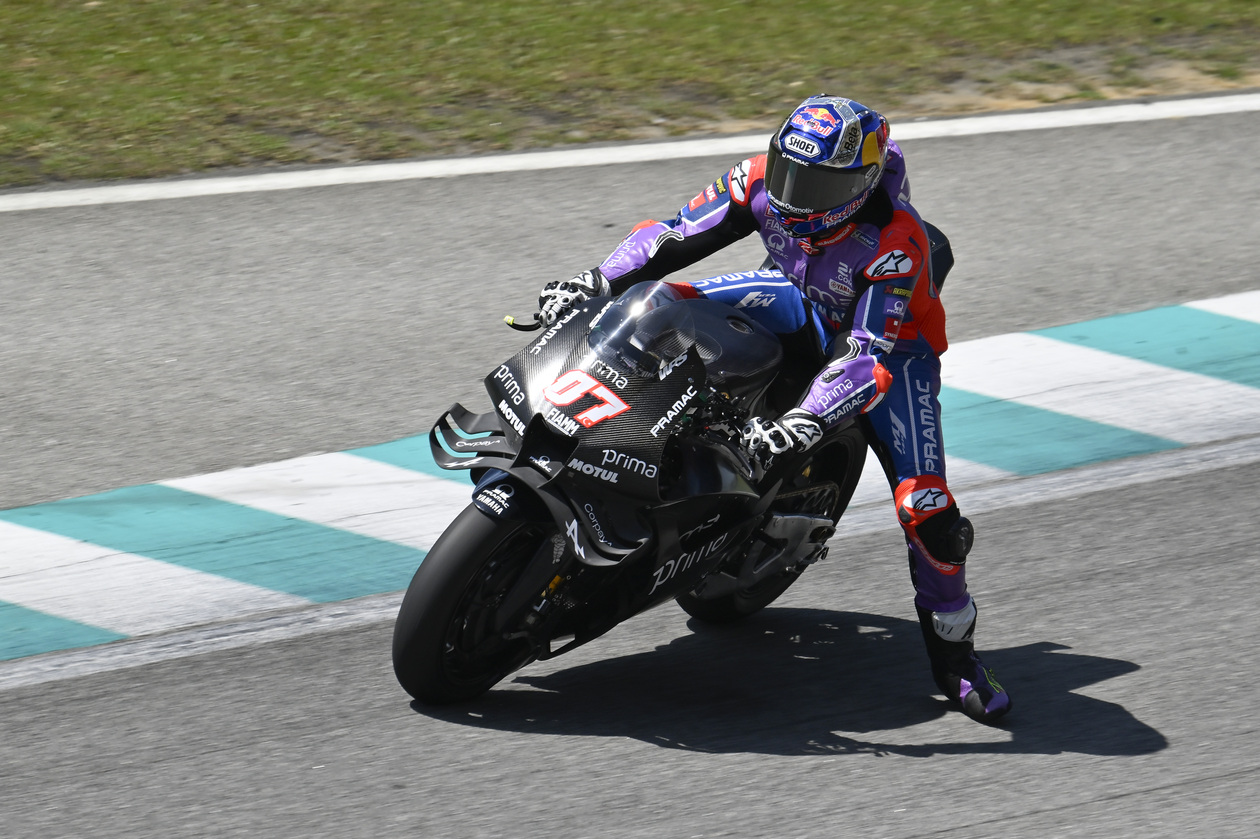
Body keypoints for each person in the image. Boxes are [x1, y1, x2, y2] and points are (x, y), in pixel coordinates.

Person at [536, 95, 1011, 724]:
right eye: (789, 173)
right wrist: (597, 281)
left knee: (929, 512)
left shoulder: (896, 243)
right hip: (796, 296)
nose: (794, 195)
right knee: (657, 305)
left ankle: (957, 659)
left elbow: (866, 356)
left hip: (894, 355)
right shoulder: (757, 177)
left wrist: (803, 423)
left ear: (862, 182)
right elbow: (674, 234)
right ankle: (611, 431)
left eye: (817, 185)